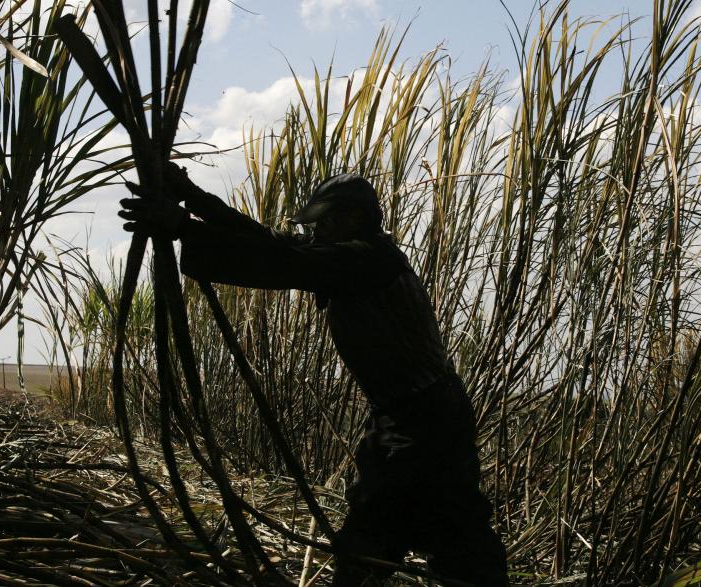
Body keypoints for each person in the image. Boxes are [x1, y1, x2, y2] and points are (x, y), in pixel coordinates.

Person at [119, 165, 509, 586]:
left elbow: (281, 260)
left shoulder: (365, 260)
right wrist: (192, 199)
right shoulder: (354, 254)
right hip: (415, 417)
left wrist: (182, 226)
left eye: (325, 220)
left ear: (354, 218)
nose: (317, 230)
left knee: (407, 529)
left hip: (424, 421)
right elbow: (267, 241)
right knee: (432, 527)